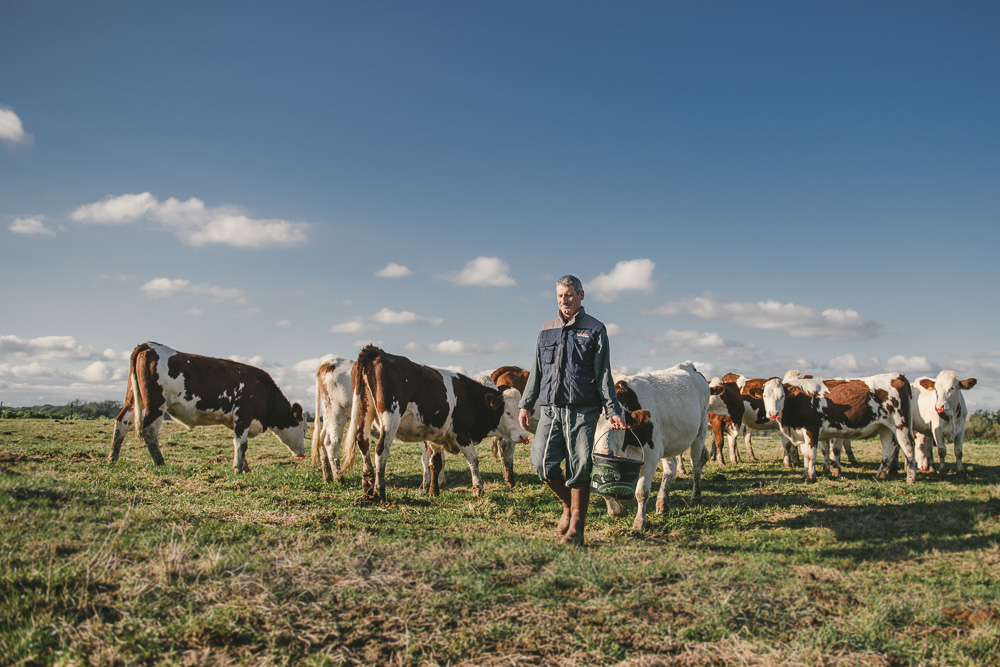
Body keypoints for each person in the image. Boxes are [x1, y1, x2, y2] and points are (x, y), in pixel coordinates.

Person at [519, 274, 626, 546]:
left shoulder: (595, 329)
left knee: (579, 466)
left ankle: (577, 526)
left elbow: (603, 373)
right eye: (559, 296)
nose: (564, 300)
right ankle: (568, 505)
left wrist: (612, 408)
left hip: (582, 408)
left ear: (581, 295)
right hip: (551, 408)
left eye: (569, 294)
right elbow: (538, 371)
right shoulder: (546, 329)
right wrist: (526, 403)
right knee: (542, 463)